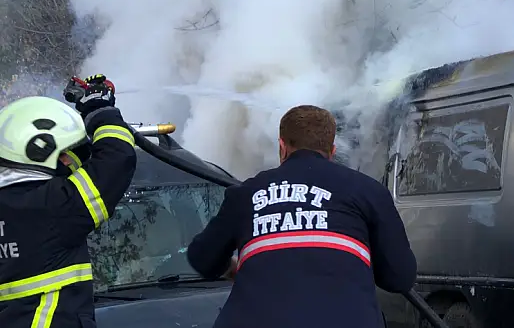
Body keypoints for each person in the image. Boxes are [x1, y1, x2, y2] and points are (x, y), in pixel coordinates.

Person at [187, 105, 417, 328]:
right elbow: (400, 278)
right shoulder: (369, 191)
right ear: (332, 151)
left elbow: (203, 259)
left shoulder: (246, 193)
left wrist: (232, 268)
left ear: (282, 146)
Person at [0, 74, 138, 328]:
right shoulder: (52, 206)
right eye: (65, 155)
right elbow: (117, 159)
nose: (71, 163)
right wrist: (100, 109)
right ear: (37, 149)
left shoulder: (16, 204)